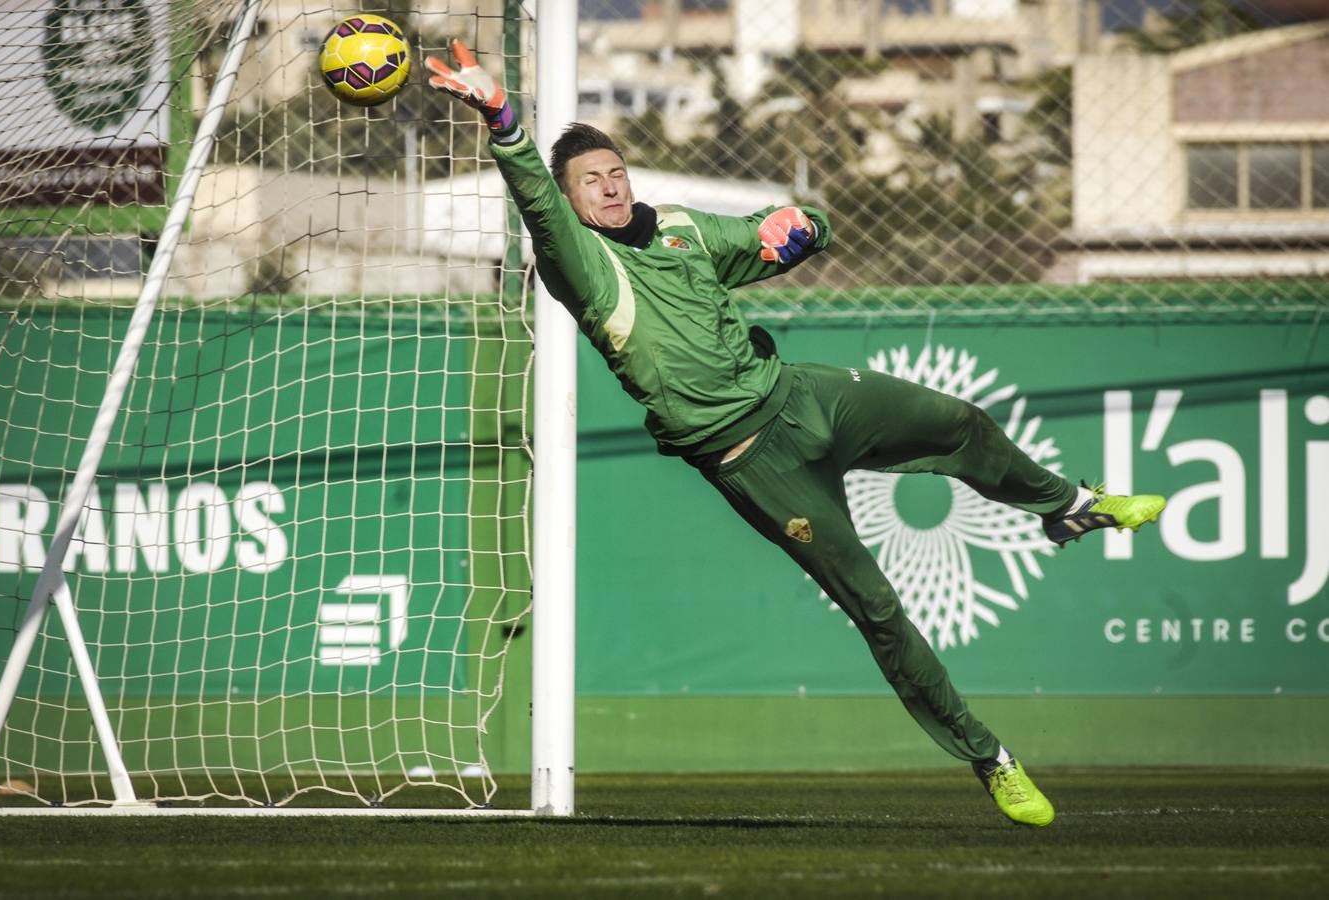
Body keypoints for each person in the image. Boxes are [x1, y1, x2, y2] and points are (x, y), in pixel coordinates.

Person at [426, 41, 1166, 827]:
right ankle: (990, 758)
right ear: (571, 202)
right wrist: (503, 118)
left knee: (960, 422)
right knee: (877, 610)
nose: (608, 190)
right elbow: (533, 196)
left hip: (802, 395)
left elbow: (774, 234)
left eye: (616, 175)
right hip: (753, 461)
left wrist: (802, 226)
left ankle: (1064, 503)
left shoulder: (673, 226)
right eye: (591, 183)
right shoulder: (577, 261)